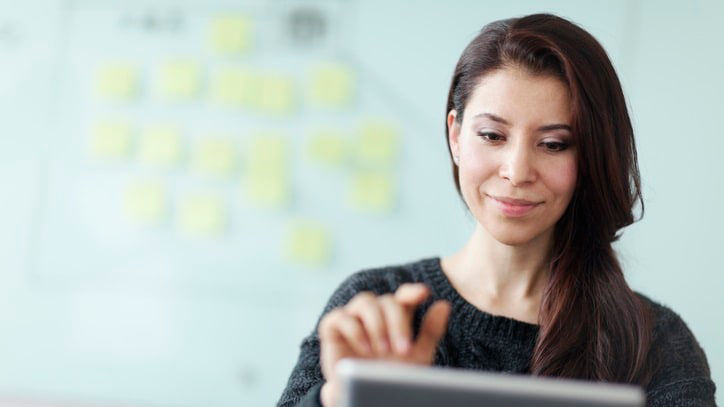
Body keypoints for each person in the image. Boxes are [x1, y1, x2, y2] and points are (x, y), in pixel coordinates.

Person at [276, 13, 717, 407]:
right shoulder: (377, 309)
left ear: (592, 157)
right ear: (455, 135)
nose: (517, 171)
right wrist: (341, 397)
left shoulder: (652, 341)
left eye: (553, 144)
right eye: (491, 136)